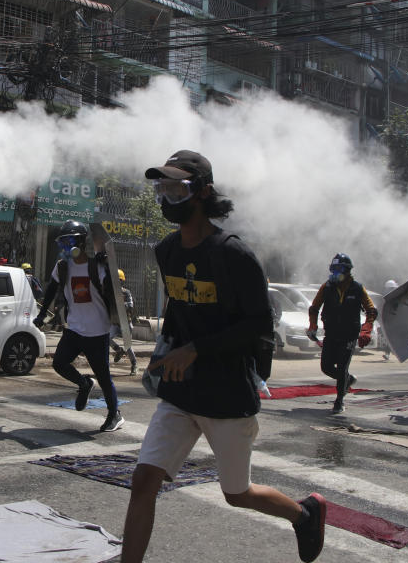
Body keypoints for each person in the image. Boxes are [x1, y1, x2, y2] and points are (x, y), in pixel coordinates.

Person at [120, 150, 326, 563]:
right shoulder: (167, 250)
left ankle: (305, 513)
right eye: (161, 187)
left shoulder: (234, 254)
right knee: (143, 482)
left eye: (175, 187)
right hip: (181, 394)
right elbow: (179, 309)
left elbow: (258, 326)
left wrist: (196, 350)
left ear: (202, 192)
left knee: (237, 494)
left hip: (227, 395)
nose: (165, 197)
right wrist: (166, 351)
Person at [33, 220, 124, 433]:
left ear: (83, 242)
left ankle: (114, 414)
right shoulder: (63, 266)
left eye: (71, 241)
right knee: (59, 363)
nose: (66, 247)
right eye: (63, 243)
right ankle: (84, 384)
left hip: (97, 331)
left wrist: (108, 262)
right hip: (74, 328)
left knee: (104, 376)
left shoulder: (97, 265)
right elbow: (51, 289)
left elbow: (114, 289)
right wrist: (41, 314)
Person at [307, 253, 377, 414]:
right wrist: (313, 326)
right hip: (331, 333)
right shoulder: (327, 287)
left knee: (343, 366)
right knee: (326, 367)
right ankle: (348, 380)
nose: (335, 273)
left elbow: (371, 310)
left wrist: (366, 330)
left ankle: (339, 401)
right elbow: (314, 308)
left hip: (349, 335)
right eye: (333, 269)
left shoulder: (358, 288)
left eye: (339, 269)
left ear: (347, 271)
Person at [110, 268, 138, 375]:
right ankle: (118, 350)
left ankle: (134, 364)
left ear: (121, 281)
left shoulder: (126, 293)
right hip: (115, 323)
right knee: (107, 338)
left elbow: (131, 305)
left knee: (128, 346)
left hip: (125, 323)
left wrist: (121, 304)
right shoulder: (110, 293)